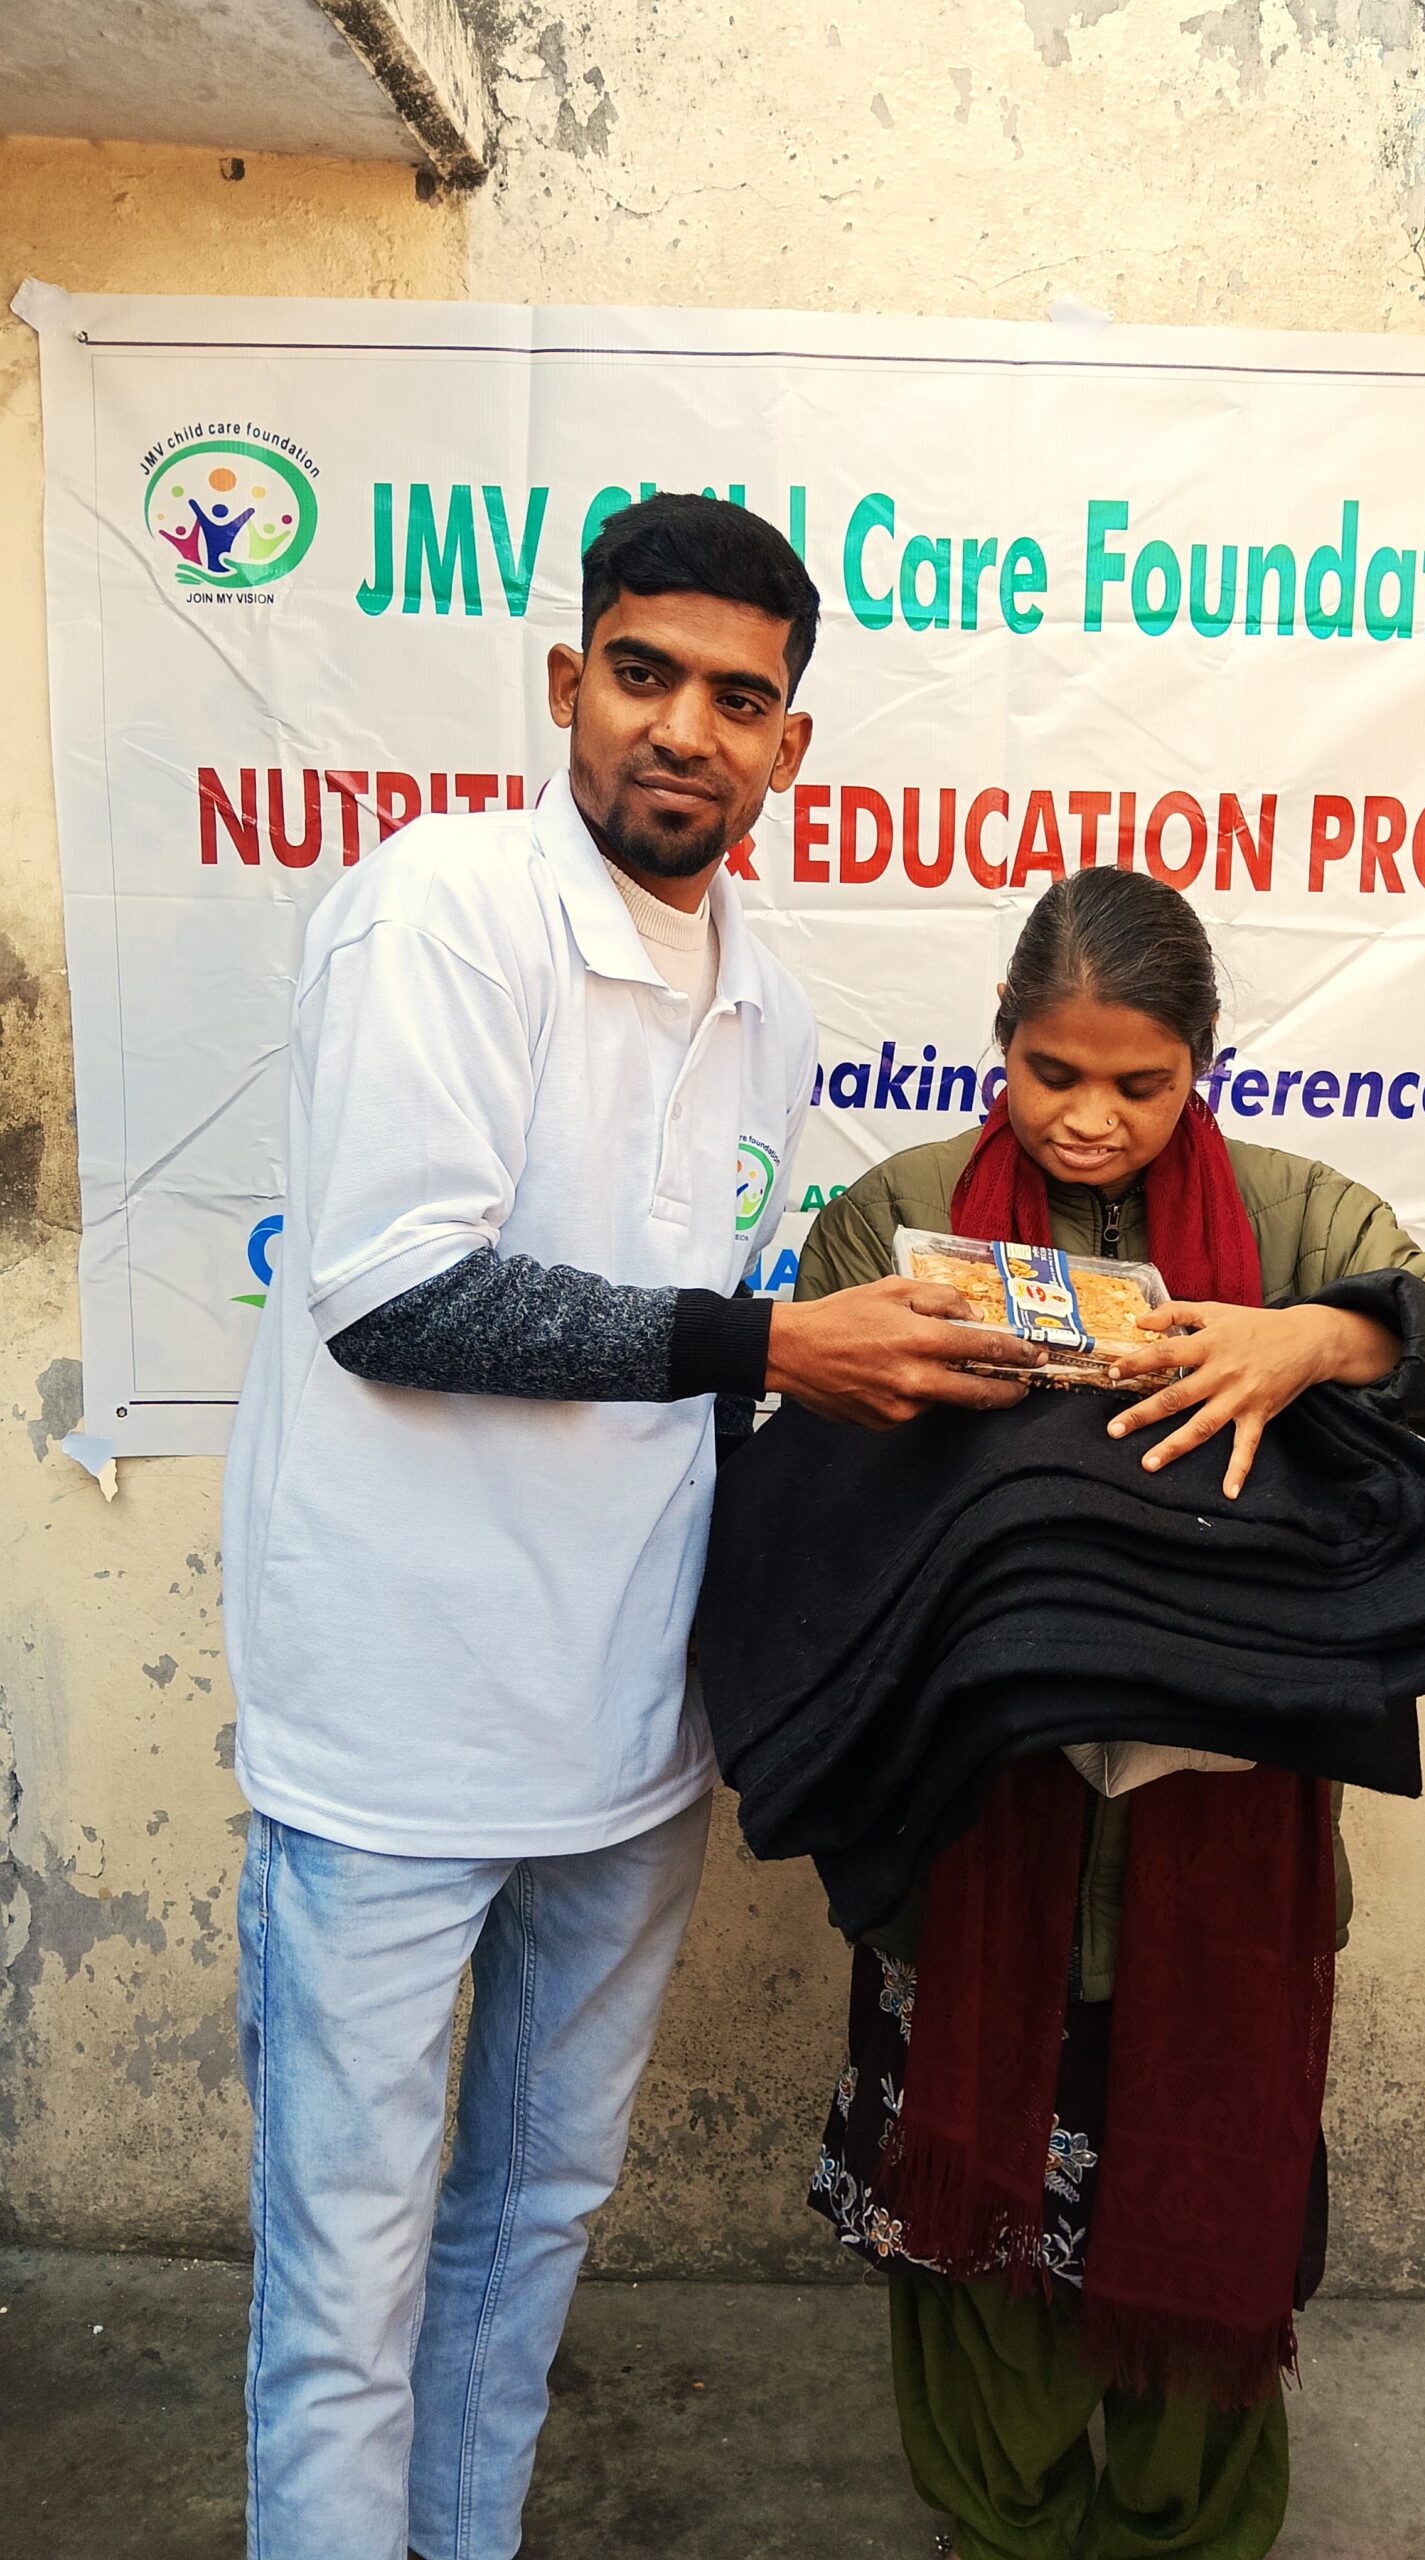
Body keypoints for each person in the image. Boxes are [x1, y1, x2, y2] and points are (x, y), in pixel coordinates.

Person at [221, 492, 1039, 2560]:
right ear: (568, 685)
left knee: (533, 2217)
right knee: (353, 2261)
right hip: (394, 1729)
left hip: (620, 1728)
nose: (686, 727)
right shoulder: (443, 910)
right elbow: (399, 1293)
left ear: (792, 747)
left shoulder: (765, 999)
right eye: (647, 675)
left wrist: (951, 1363)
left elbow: (710, 1356)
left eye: (739, 696)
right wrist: (774, 1333)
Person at [795, 866, 1425, 2560]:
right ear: (998, 1047)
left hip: (1222, 1863)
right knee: (979, 2235)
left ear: (1203, 1064)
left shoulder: (1298, 1219)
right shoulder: (898, 1211)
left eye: (1139, 1086)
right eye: (1051, 1076)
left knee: (1201, 2229)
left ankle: (1179, 2537)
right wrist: (927, 1416)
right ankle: (996, 2524)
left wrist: (1331, 1340)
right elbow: (807, 1512)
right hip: (967, 1842)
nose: (1089, 1122)